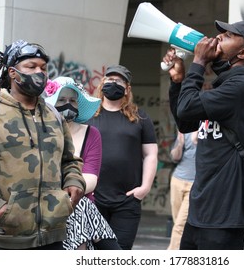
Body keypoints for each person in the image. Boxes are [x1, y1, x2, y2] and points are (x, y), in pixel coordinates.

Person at [0, 39, 86, 250]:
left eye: (43, 68)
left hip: (50, 237)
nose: (39, 72)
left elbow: (69, 160)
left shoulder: (55, 116)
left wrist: (74, 182)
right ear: (13, 73)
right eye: (31, 66)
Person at [163, 20, 244, 250]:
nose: (219, 38)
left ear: (243, 52)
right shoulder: (227, 84)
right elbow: (186, 122)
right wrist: (178, 82)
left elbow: (187, 107)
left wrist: (198, 62)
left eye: (228, 35)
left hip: (225, 209)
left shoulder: (242, 86)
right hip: (203, 205)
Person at [44, 76, 121, 250]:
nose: (68, 104)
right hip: (46, 206)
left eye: (72, 100)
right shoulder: (40, 132)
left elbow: (91, 179)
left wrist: (67, 194)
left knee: (79, 205)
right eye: (61, 99)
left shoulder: (92, 134)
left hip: (81, 203)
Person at [87, 65, 158, 250]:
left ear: (127, 89)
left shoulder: (140, 117)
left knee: (120, 254)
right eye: (109, 79)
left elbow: (151, 154)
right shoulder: (88, 115)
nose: (113, 83)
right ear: (102, 84)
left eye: (119, 81)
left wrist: (145, 188)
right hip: (93, 200)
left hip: (127, 201)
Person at [167, 130, 197, 250]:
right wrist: (180, 143)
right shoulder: (186, 130)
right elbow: (175, 157)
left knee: (180, 225)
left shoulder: (208, 131)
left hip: (194, 184)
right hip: (177, 180)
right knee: (178, 225)